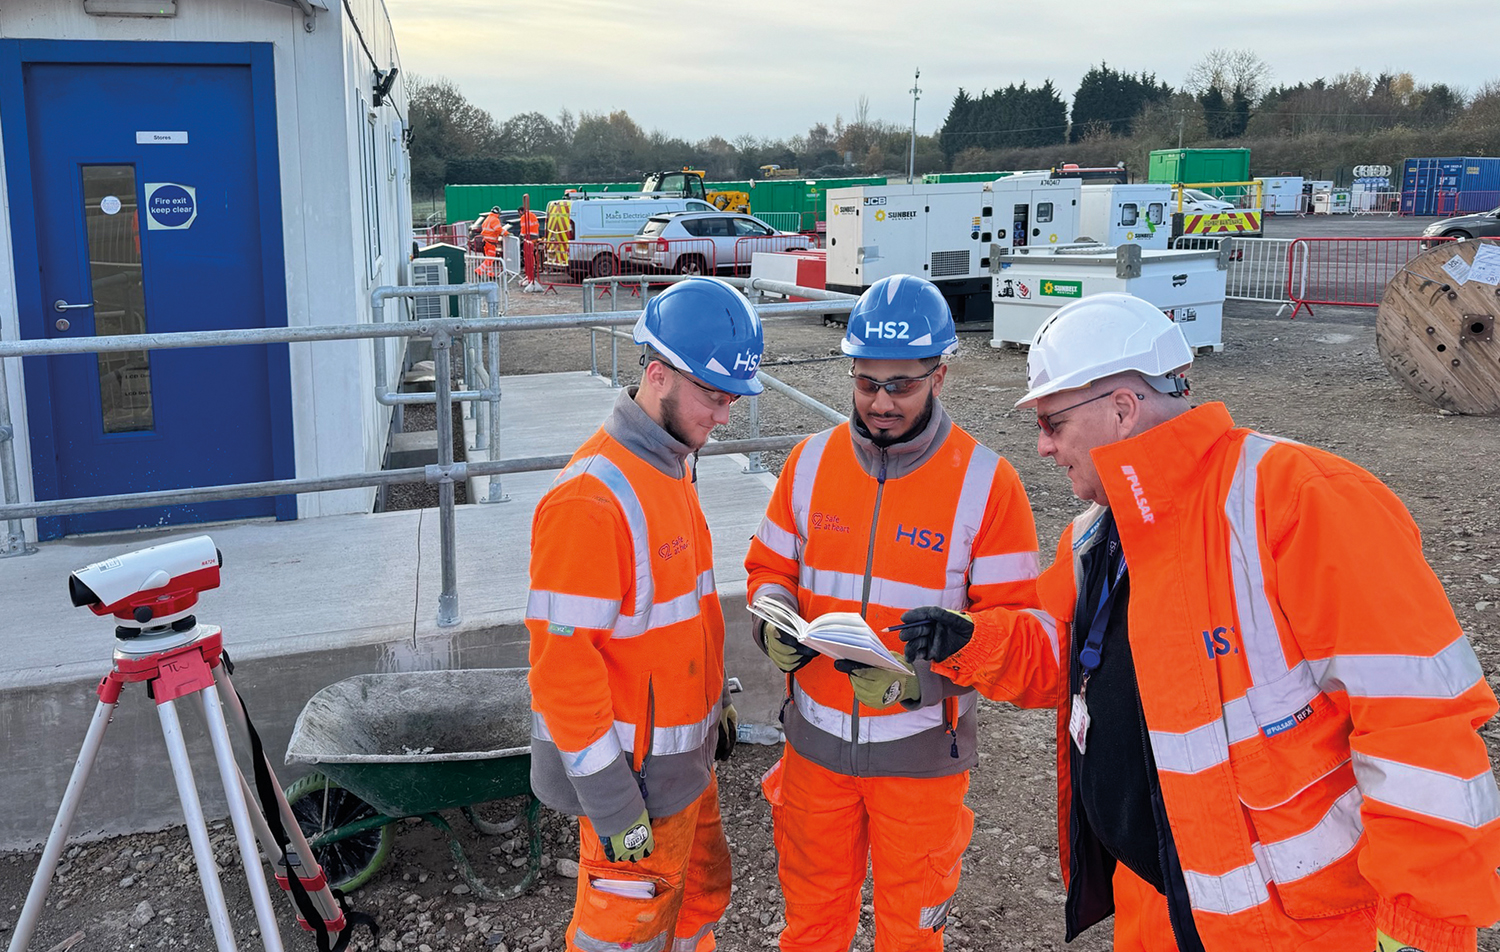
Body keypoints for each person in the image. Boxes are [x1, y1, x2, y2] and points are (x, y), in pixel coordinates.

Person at [897, 292, 1500, 952]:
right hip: (1159, 903)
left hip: (1296, 929)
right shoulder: (1098, 538)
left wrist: (1422, 928)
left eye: (1052, 423)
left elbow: (1419, 727)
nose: (1041, 447)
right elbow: (1063, 656)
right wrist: (972, 642)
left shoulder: (1299, 500)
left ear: (1122, 410)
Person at [743, 274, 1049, 951]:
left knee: (911, 936)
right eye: (866, 383)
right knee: (812, 926)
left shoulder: (986, 483)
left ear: (940, 376)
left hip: (921, 762)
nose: (880, 402)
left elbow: (1024, 630)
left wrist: (960, 645)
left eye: (901, 386)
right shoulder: (810, 463)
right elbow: (769, 571)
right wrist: (773, 618)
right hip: (814, 751)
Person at [527, 277, 766, 952]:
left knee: (699, 899)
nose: (725, 416)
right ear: (656, 374)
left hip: (684, 769)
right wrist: (614, 807)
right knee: (622, 935)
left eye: (731, 398)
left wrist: (717, 699)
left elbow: (685, 612)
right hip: (633, 792)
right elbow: (562, 676)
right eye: (713, 396)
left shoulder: (673, 465)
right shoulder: (589, 500)